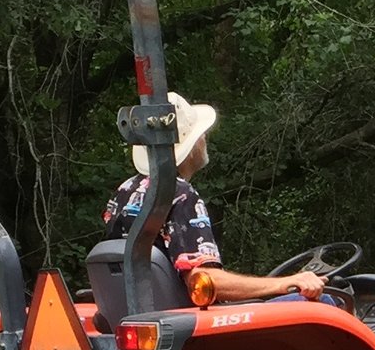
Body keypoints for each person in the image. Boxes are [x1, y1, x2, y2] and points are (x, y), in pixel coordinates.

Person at [102, 92, 328, 305]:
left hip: (151, 313)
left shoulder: (124, 192)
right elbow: (205, 282)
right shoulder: (180, 196)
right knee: (324, 303)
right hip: (187, 323)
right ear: (190, 148)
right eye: (200, 134)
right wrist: (286, 282)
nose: (204, 138)